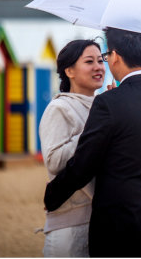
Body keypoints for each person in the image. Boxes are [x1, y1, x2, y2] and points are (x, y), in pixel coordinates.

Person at [44, 27, 141, 258]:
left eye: (105, 57)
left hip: (118, 227)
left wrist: (53, 195)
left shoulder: (109, 104)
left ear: (115, 56)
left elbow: (83, 166)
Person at [39, 39, 106, 257]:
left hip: (101, 220)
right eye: (89, 61)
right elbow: (54, 161)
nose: (98, 67)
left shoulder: (103, 107)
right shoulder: (59, 108)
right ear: (69, 70)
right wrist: (96, 127)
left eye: (100, 60)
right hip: (69, 224)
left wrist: (115, 109)